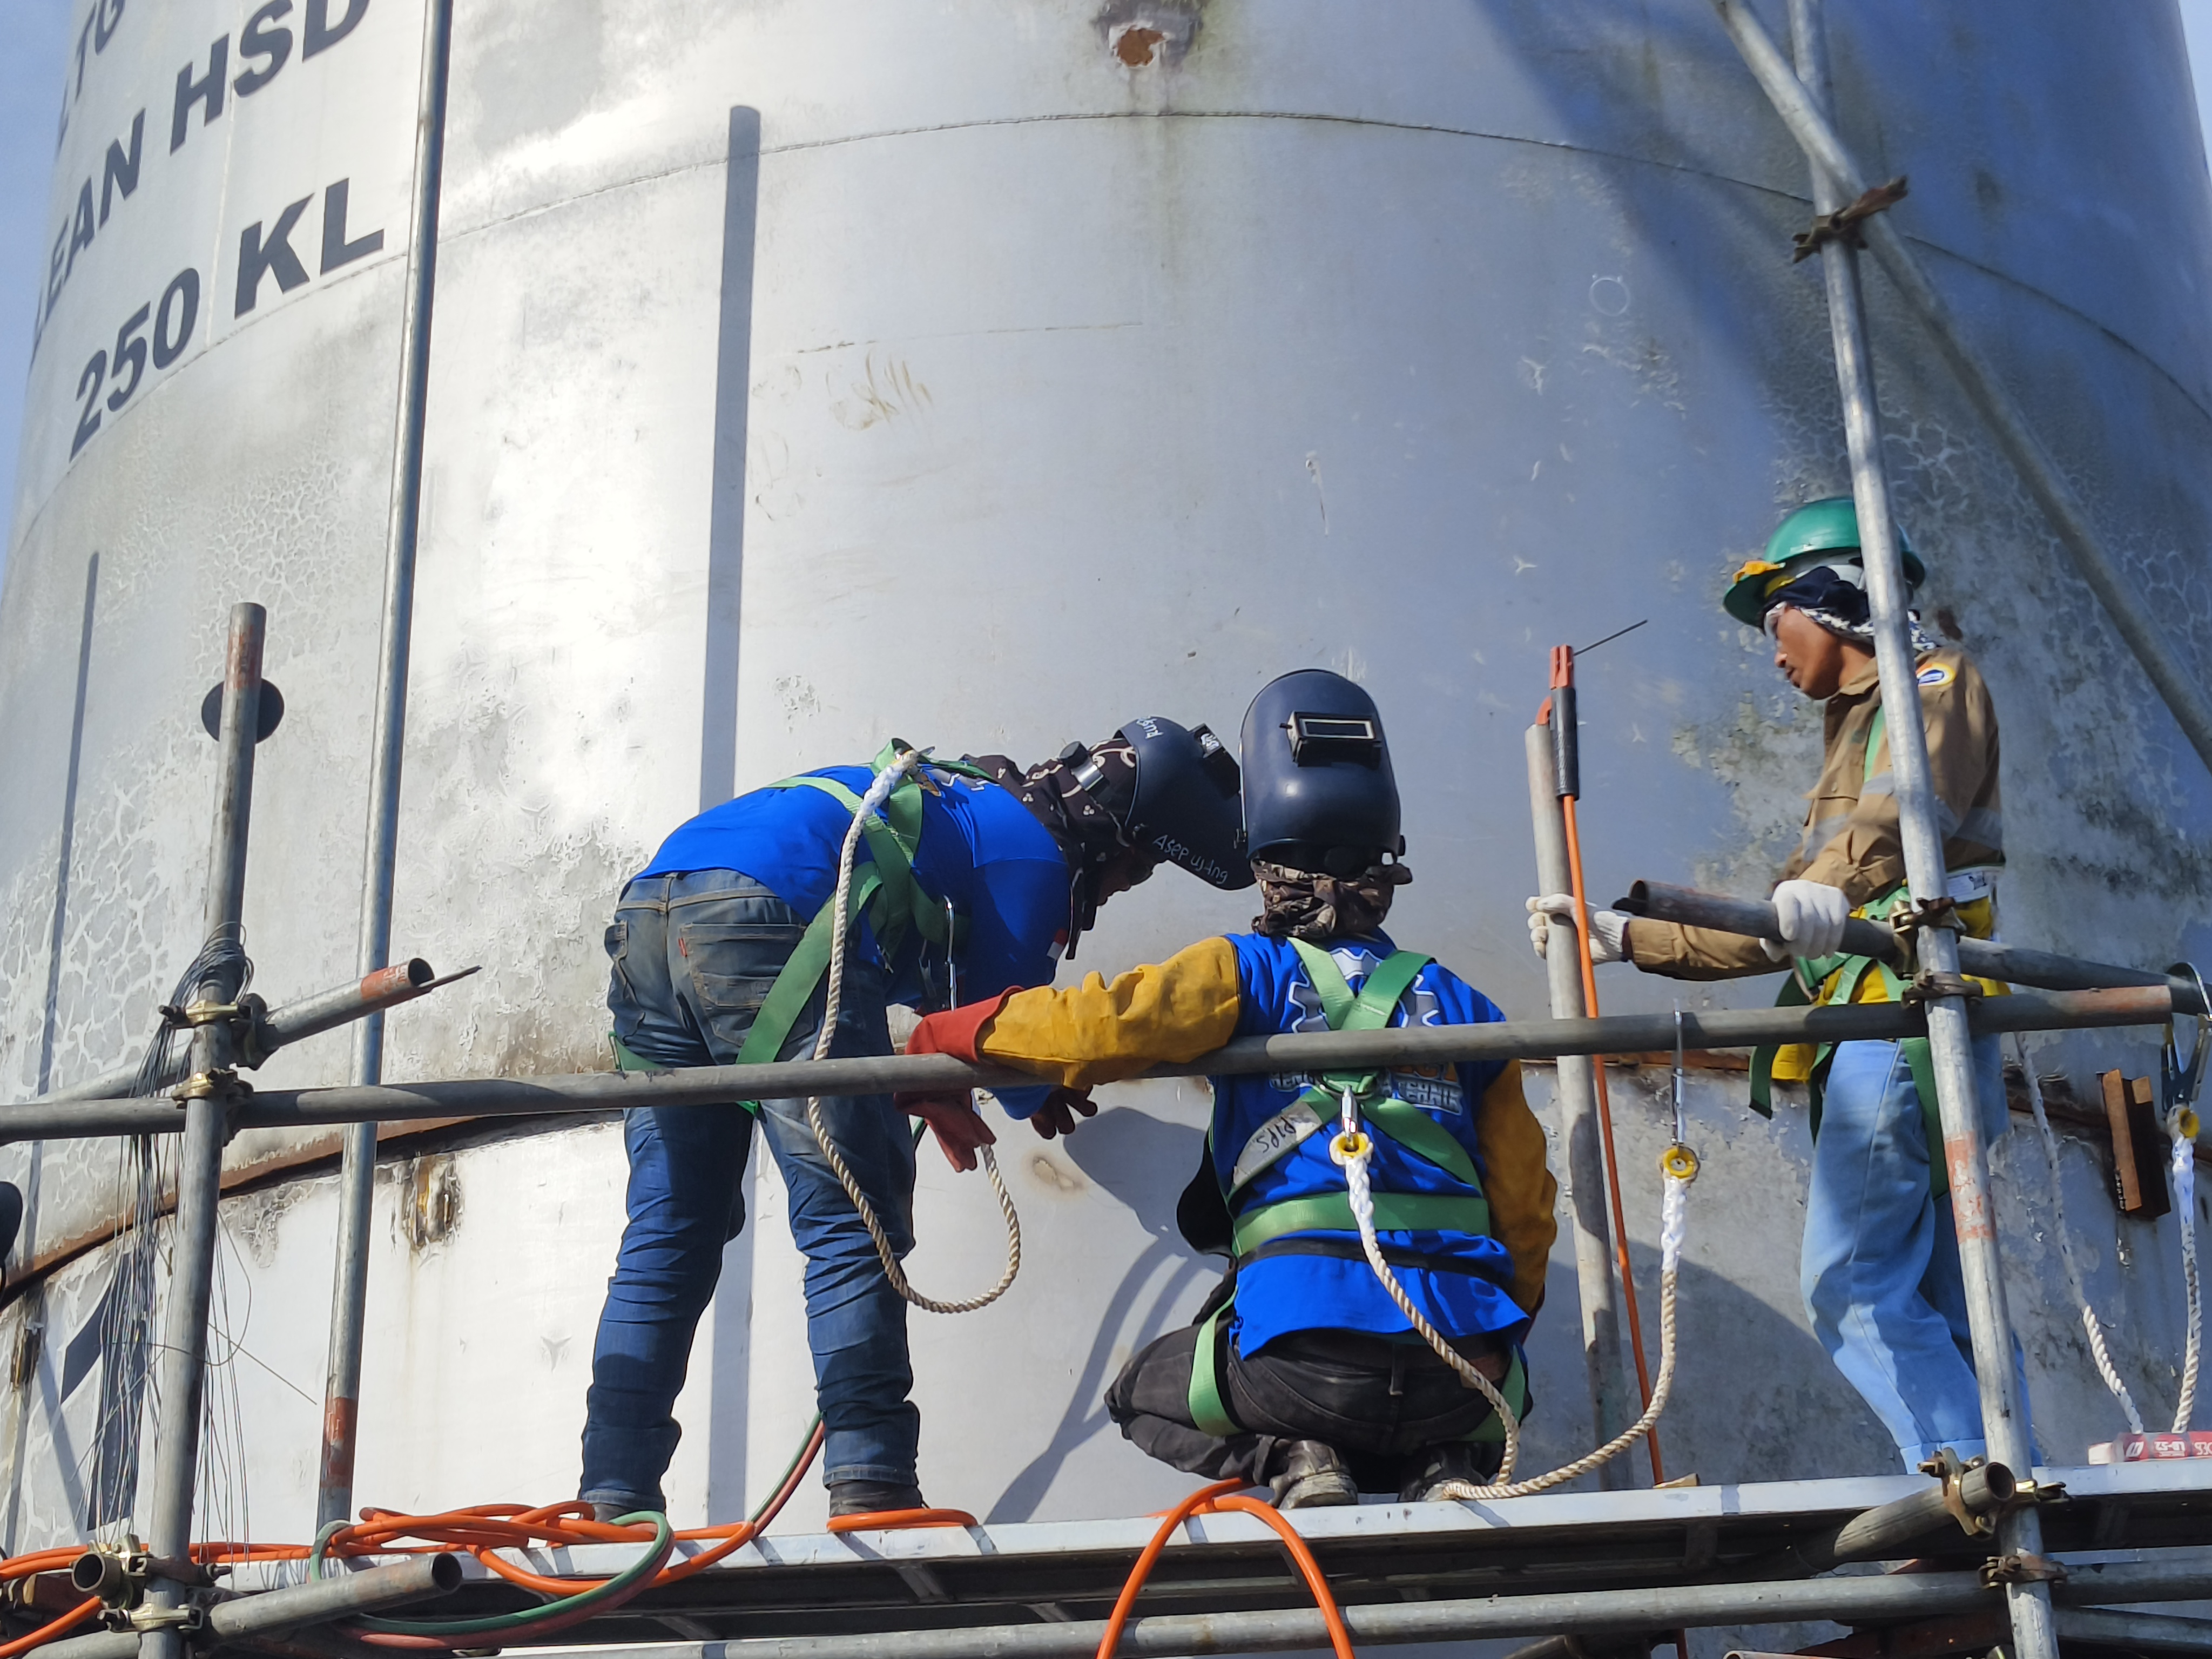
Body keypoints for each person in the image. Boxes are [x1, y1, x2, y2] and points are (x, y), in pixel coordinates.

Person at [903, 671, 1558, 1507]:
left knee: (1142, 1392)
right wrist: (1493, 1354)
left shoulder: (1249, 972)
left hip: (1301, 1374)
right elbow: (1528, 1212)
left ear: (1265, 866)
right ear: (1385, 867)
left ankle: (1296, 1460)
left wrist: (953, 1033)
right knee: (1428, 1380)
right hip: (1465, 1379)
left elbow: (1101, 1025)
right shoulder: (1473, 1012)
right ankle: (1440, 1464)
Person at [582, 719, 1252, 1520]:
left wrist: (990, 1087)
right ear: (1117, 838)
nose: (1123, 889)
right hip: (773, 916)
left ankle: (612, 1491)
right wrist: (1035, 1094)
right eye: (1140, 869)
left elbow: (958, 1018)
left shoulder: (970, 796)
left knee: (671, 1229)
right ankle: (872, 1481)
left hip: (657, 903)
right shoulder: (1033, 858)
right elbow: (1003, 1026)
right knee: (849, 1222)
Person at [1529, 496, 2011, 1469]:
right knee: (1936, 1299)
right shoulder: (1858, 730)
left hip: (1901, 1018)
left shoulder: (1933, 686)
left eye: (1775, 620)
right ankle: (1996, 1469)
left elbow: (1892, 825)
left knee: (1854, 1282)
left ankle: (1967, 1484)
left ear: (1832, 601)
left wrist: (1822, 895)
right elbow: (1783, 927)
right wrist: (1630, 937)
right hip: (1883, 1025)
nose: (1773, 649)